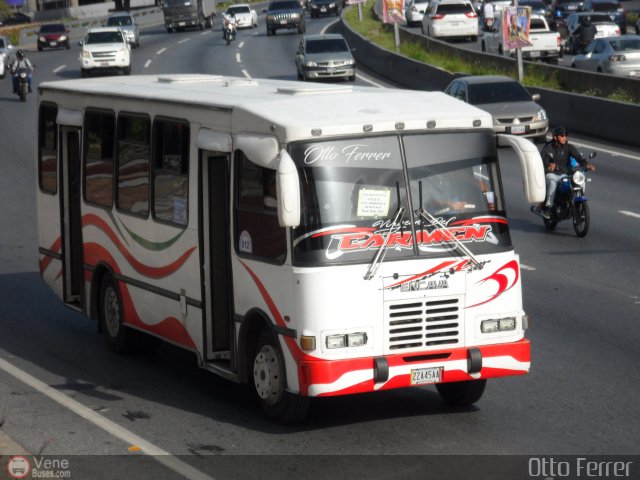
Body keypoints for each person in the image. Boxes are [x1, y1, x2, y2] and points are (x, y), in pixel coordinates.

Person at [539, 126, 595, 218]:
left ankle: (571, 203)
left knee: (576, 182)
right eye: (562, 135)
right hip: (551, 174)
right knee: (553, 182)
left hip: (564, 174)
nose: (564, 137)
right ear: (555, 137)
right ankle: (548, 207)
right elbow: (542, 158)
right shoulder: (548, 147)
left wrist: (586, 164)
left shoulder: (568, 147)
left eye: (565, 135)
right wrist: (549, 164)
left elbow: (578, 157)